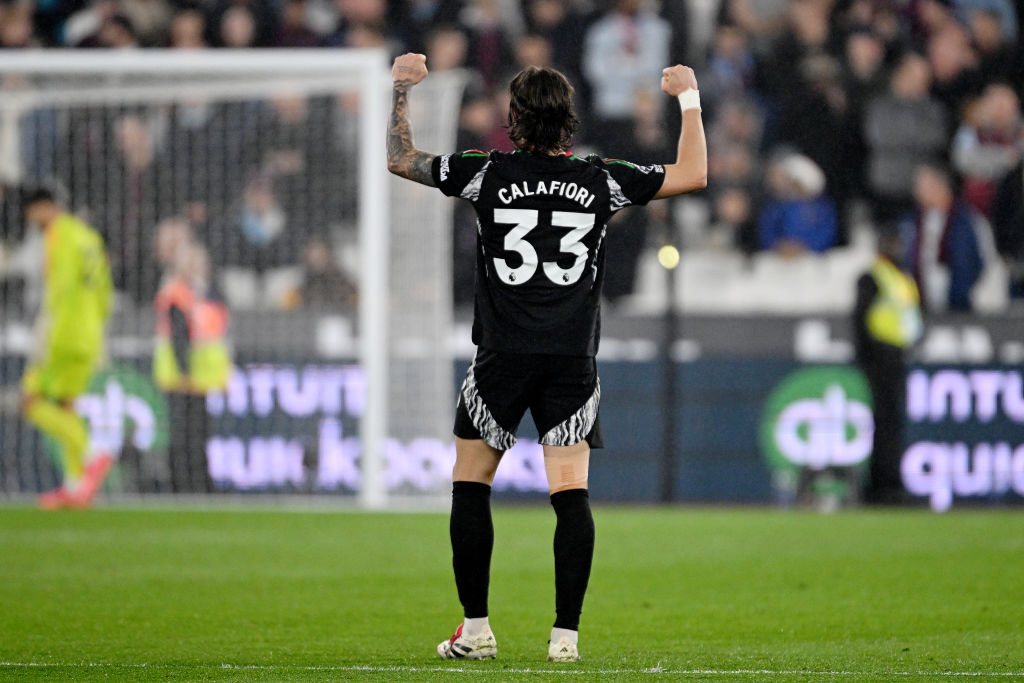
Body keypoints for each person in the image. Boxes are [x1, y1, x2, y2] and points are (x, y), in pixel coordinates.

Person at [387, 53, 706, 661]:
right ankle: (566, 638)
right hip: (570, 360)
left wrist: (402, 87)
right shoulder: (599, 177)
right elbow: (693, 173)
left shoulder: (486, 172)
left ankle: (476, 630)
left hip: (501, 356)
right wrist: (688, 98)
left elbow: (400, 158)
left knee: (471, 485)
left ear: (513, 119)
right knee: (571, 494)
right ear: (569, 120)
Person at [20, 188, 113, 509]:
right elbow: (104, 292)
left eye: (31, 212)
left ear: (45, 208)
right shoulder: (89, 236)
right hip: (89, 334)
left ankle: (92, 454)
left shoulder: (58, 235)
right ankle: (75, 487)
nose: (29, 219)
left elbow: (59, 289)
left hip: (63, 334)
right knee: (66, 408)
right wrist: (98, 334)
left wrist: (45, 335)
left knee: (29, 402)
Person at [153, 241, 232, 493]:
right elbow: (179, 336)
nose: (197, 267)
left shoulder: (208, 292)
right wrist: (184, 371)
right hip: (182, 378)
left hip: (202, 378)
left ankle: (198, 481)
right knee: (184, 433)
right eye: (191, 262)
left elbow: (215, 335)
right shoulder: (178, 292)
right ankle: (182, 482)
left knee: (199, 432)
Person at [853, 225, 922, 504]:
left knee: (893, 422)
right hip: (879, 359)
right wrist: (866, 358)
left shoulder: (902, 278)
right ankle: (881, 484)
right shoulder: (873, 277)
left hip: (898, 358)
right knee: (884, 421)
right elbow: (861, 320)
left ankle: (891, 480)